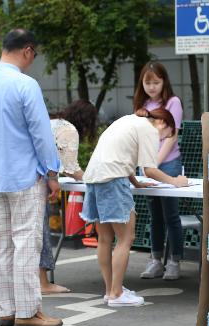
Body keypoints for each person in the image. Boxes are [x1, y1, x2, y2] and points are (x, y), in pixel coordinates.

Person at [0, 29, 63, 326]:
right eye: (34, 55)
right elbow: (41, 133)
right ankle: (28, 312)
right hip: (24, 175)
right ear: (27, 50)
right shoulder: (25, 84)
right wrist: (52, 172)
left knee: (1, 243)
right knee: (26, 242)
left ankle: (6, 310)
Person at [80, 108, 188, 307]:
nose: (163, 139)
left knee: (104, 239)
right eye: (167, 136)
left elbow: (122, 156)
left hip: (94, 178)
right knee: (126, 238)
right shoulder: (149, 128)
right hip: (113, 180)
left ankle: (110, 290)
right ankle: (117, 294)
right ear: (163, 124)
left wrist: (137, 184)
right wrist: (175, 181)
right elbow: (150, 170)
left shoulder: (128, 120)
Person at [133, 62, 185, 281]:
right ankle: (155, 260)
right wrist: (146, 164)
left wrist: (153, 163)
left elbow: (171, 136)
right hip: (148, 165)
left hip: (168, 162)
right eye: (148, 82)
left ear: (164, 81)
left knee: (170, 214)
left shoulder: (173, 102)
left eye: (156, 82)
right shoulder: (142, 105)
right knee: (154, 215)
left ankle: (174, 261)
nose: (152, 86)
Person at [39, 100, 98, 294]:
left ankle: (34, 281)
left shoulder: (53, 122)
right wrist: (93, 177)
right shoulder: (68, 129)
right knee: (40, 232)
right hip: (38, 181)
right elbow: (71, 168)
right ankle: (43, 283)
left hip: (22, 176)